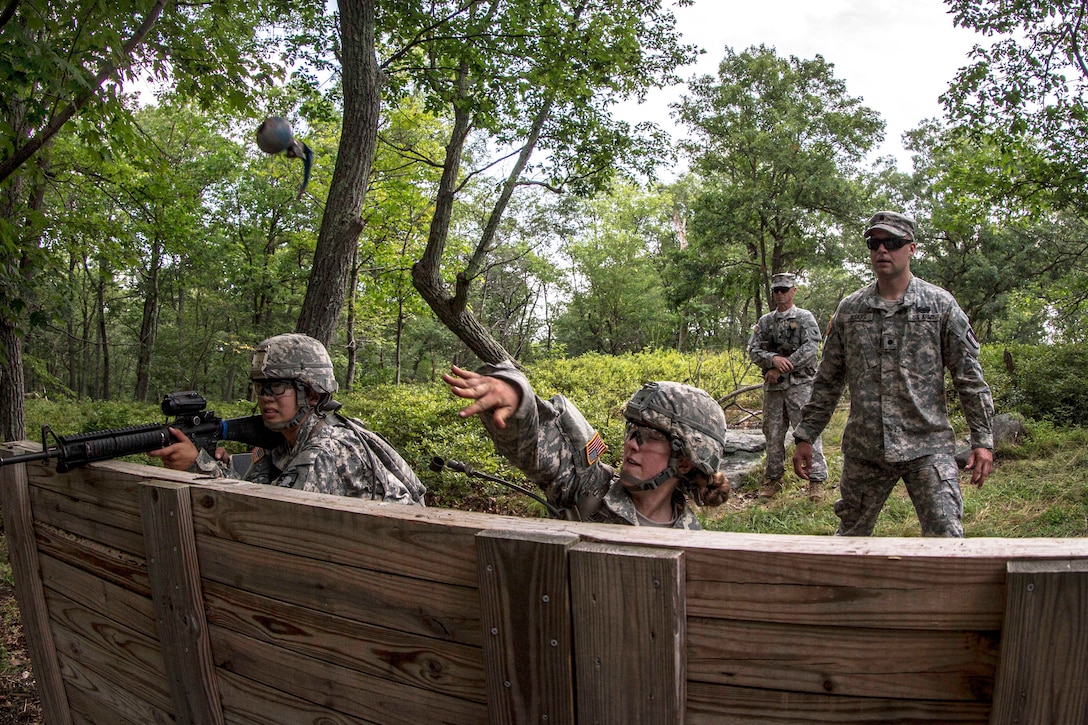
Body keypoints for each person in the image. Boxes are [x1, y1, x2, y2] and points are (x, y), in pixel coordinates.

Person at [791, 211, 994, 537]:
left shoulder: (939, 306)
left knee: (946, 538)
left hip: (927, 445)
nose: (882, 251)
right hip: (866, 449)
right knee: (850, 539)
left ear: (911, 248)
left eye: (892, 243)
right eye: (875, 243)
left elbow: (969, 376)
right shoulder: (850, 310)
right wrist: (805, 435)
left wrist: (982, 439)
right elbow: (828, 379)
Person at [442, 362, 731, 528]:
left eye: (653, 437)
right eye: (632, 431)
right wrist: (517, 396)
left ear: (683, 461)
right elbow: (534, 448)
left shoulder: (692, 537)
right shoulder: (589, 488)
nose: (632, 443)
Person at [151, 333, 426, 504]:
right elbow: (257, 491)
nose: (266, 397)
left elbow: (264, 516)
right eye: (261, 388)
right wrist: (218, 465)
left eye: (278, 387)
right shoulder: (287, 442)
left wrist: (199, 466)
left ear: (312, 394)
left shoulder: (325, 450)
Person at [747, 272, 828, 501]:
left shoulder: (804, 318)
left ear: (794, 290)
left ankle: (816, 480)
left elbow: (811, 348)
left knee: (806, 431)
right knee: (772, 433)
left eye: (785, 289)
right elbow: (753, 350)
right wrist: (772, 360)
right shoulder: (765, 322)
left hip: (800, 385)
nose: (780, 294)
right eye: (776, 290)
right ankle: (773, 478)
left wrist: (782, 367)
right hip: (773, 388)